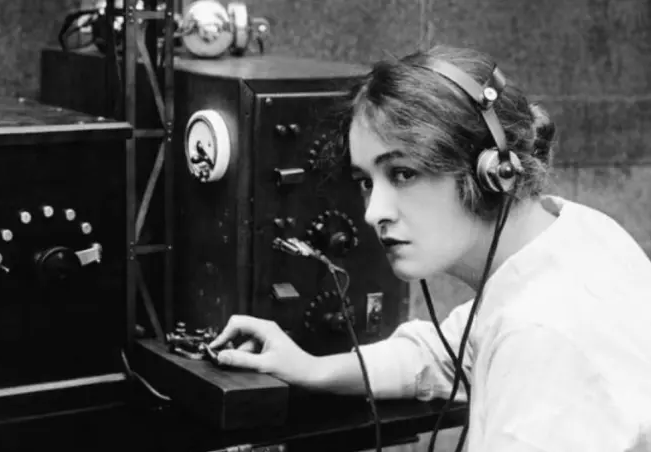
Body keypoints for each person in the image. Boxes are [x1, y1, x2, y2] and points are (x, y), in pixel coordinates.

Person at [207, 45, 651, 451]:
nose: (373, 213)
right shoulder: (573, 233)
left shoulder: (542, 337)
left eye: (403, 174)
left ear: (490, 172)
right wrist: (311, 368)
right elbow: (443, 352)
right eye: (366, 181)